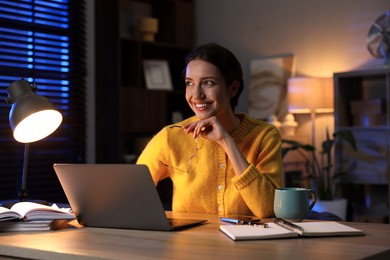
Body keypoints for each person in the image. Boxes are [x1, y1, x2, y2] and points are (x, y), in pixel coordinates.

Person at [137, 43, 282, 218]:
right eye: (189, 83)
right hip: (188, 243)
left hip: (248, 244)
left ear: (233, 88)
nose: (196, 94)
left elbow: (268, 210)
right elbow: (131, 196)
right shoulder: (170, 137)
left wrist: (226, 141)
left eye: (208, 83)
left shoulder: (265, 136)